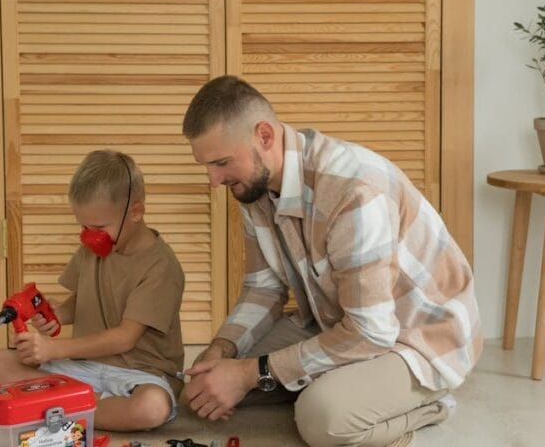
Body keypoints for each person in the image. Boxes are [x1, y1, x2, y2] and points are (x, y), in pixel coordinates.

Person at [181, 76, 483, 447]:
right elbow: (264, 287)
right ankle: (338, 384)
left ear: (264, 136)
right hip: (337, 321)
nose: (214, 180)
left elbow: (371, 331)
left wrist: (248, 373)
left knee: (320, 419)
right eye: (207, 166)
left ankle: (430, 404)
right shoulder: (253, 187)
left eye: (222, 163)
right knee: (207, 387)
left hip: (417, 336)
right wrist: (222, 351)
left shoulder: (352, 190)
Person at [0, 150, 185, 432]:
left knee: (151, 407)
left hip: (140, 374)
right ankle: (80, 406)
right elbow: (83, 301)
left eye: (99, 227)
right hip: (85, 368)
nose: (90, 235)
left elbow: (125, 338)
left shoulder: (161, 266)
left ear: (136, 211)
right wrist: (57, 314)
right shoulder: (93, 248)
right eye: (84, 226)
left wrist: (54, 349)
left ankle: (54, 406)